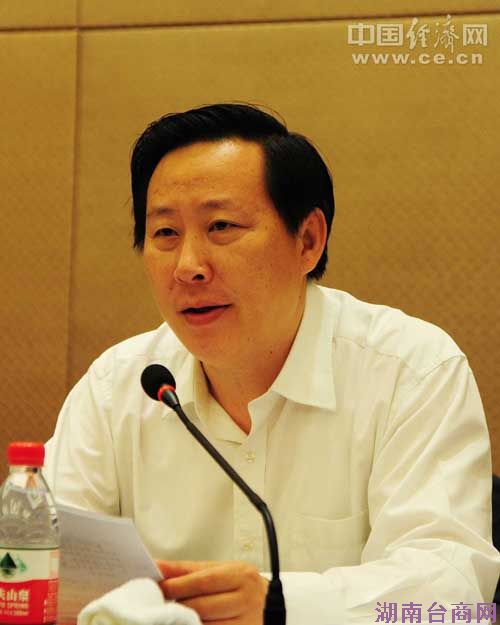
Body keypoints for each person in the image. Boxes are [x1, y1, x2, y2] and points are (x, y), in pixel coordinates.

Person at [45, 103, 500, 624]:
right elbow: (38, 562)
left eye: (221, 226)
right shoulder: (117, 389)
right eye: (165, 234)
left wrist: (279, 606)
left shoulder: (411, 372)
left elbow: (452, 594)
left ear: (308, 241)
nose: (188, 266)